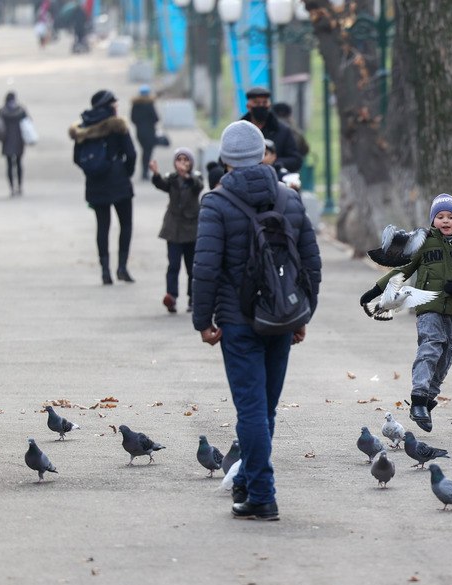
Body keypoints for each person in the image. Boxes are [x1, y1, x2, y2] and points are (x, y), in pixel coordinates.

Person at [191, 120, 322, 522]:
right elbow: (311, 264)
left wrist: (203, 320)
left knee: (250, 410)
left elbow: (206, 268)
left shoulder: (216, 203)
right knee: (265, 409)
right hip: (281, 319)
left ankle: (262, 494)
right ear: (263, 155)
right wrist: (303, 314)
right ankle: (248, 479)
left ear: (226, 159)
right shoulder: (289, 199)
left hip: (239, 322)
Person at [358, 194, 452, 433]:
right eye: (440, 216)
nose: (446, 221)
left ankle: (426, 400)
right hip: (428, 311)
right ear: (433, 220)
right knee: (430, 347)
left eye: (451, 217)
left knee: (446, 356)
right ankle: (419, 398)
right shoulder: (424, 244)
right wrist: (376, 290)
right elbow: (402, 271)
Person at [69, 89, 136, 285]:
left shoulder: (83, 127)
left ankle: (105, 270)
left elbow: (76, 158)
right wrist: (125, 172)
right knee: (126, 224)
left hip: (95, 184)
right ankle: (122, 267)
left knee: (102, 226)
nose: (116, 106)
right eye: (114, 103)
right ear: (108, 105)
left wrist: (92, 170)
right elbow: (131, 154)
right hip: (119, 182)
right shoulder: (118, 126)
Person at [150, 147, 203, 314]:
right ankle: (171, 296)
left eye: (185, 160)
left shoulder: (195, 178)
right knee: (173, 265)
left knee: (191, 267)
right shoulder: (172, 179)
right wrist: (156, 174)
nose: (182, 164)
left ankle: (193, 298)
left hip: (191, 229)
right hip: (173, 229)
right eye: (179, 160)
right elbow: (161, 185)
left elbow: (197, 186)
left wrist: (186, 176)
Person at [240, 86, 302, 181]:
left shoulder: (283, 130)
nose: (261, 106)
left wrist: (274, 162)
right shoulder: (239, 130)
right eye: (256, 103)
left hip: (276, 182)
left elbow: (295, 160)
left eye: (264, 103)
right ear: (248, 106)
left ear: (269, 105)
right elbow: (226, 159)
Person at [0, 91, 28, 197]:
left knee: (9, 165)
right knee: (19, 164)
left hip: (7, 141)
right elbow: (28, 123)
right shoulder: (21, 110)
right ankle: (19, 186)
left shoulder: (2, 111)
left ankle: (11, 187)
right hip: (19, 140)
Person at [130, 85, 160, 180]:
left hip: (140, 132)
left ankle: (144, 171)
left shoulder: (135, 105)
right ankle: (145, 172)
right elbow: (156, 118)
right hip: (150, 132)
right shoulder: (150, 104)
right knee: (147, 152)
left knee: (144, 151)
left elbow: (133, 118)